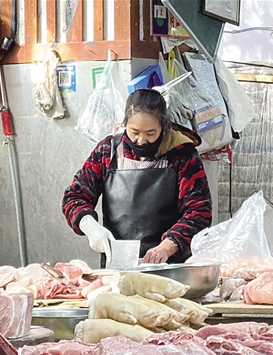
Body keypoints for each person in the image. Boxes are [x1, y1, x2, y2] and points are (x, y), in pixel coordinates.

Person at [62, 88, 212, 266]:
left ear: (164, 126)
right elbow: (75, 196)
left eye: (150, 133)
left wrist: (168, 246)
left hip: (169, 267)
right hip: (118, 265)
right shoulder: (107, 152)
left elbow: (199, 211)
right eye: (134, 132)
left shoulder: (183, 154)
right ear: (125, 124)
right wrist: (90, 227)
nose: (141, 140)